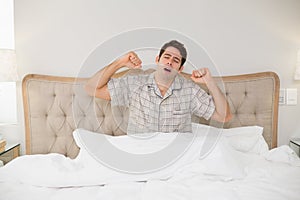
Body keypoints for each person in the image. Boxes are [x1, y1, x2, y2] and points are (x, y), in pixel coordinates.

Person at [85, 40, 232, 134]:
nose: (169, 62)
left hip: (175, 159)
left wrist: (210, 82)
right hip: (140, 154)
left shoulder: (189, 90)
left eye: (175, 60)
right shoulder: (134, 84)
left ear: (180, 69)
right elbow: (91, 88)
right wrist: (120, 63)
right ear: (158, 60)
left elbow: (224, 116)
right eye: (166, 57)